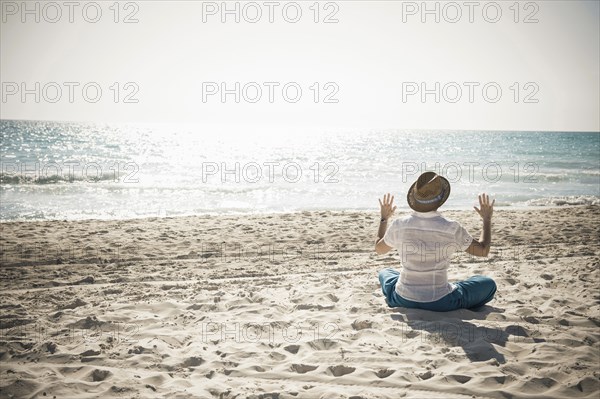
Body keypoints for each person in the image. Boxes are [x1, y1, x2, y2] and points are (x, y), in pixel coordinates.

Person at [375, 171, 497, 312]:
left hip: (403, 298)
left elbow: (379, 249)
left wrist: (384, 219)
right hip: (440, 301)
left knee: (385, 273)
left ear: (415, 198)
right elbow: (483, 250)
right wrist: (486, 220)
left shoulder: (399, 225)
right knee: (488, 284)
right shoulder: (452, 228)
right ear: (440, 200)